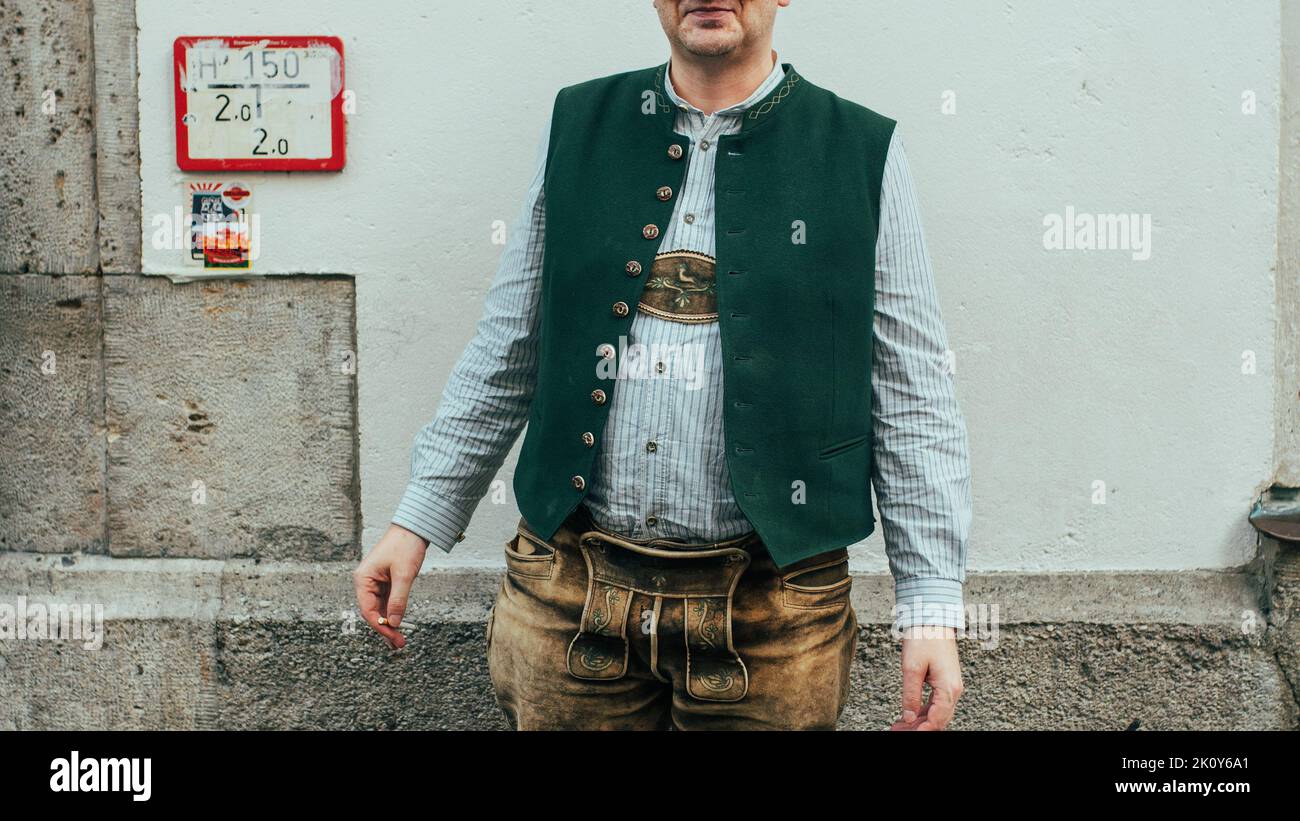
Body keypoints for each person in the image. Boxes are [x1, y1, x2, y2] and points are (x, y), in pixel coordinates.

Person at [355, 0, 972, 731]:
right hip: (566, 595)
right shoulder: (579, 124)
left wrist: (929, 607)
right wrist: (419, 517)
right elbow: (509, 343)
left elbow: (911, 393)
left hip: (775, 614)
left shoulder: (863, 151)